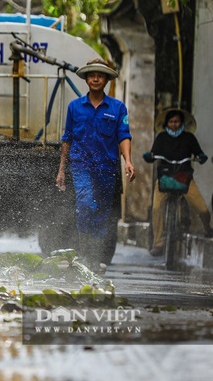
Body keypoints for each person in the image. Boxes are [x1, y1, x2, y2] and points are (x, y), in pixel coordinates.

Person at [56, 58, 136, 270]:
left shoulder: (118, 108)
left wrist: (128, 161)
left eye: (100, 75)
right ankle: (84, 254)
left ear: (107, 79)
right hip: (81, 165)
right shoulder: (75, 107)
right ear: (86, 79)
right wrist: (62, 170)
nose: (96, 78)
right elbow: (67, 138)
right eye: (92, 75)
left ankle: (94, 258)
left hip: (107, 168)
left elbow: (123, 135)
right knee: (84, 204)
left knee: (101, 214)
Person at [143, 108, 213, 257]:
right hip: (165, 179)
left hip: (184, 179)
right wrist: (150, 156)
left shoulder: (189, 138)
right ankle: (158, 243)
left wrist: (201, 157)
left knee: (203, 209)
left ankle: (208, 228)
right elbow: (153, 153)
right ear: (166, 123)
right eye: (171, 121)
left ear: (182, 123)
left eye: (177, 121)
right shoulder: (161, 138)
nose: (174, 124)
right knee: (156, 209)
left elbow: (199, 153)